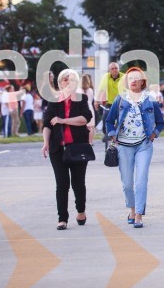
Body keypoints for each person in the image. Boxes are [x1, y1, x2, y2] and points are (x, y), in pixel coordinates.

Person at [105, 67, 164, 228]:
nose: (133, 80)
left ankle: (139, 214)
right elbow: (109, 121)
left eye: (136, 78)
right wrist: (113, 135)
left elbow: (160, 122)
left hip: (144, 145)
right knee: (126, 183)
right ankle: (132, 209)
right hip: (123, 146)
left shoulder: (150, 100)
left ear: (142, 81)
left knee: (141, 181)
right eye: (130, 77)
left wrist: (154, 134)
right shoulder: (120, 99)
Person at [41, 69, 92, 231]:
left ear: (76, 83)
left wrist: (63, 120)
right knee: (62, 184)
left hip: (78, 148)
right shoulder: (53, 101)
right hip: (58, 149)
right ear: (59, 83)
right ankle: (62, 218)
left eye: (71, 80)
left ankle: (81, 211)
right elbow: (47, 124)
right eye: (64, 80)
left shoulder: (81, 99)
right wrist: (45, 142)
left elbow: (85, 119)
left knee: (78, 183)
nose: (67, 83)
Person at [96, 62, 122, 138]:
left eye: (116, 68)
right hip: (110, 103)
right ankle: (106, 133)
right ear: (109, 70)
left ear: (118, 69)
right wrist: (97, 101)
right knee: (105, 117)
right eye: (112, 69)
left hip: (121, 103)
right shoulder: (106, 77)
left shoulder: (124, 77)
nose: (114, 70)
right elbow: (100, 89)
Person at [81, 74, 96, 142]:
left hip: (82, 108)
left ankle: (84, 141)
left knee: (83, 126)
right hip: (90, 108)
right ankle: (90, 141)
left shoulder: (79, 90)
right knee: (91, 126)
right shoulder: (91, 90)